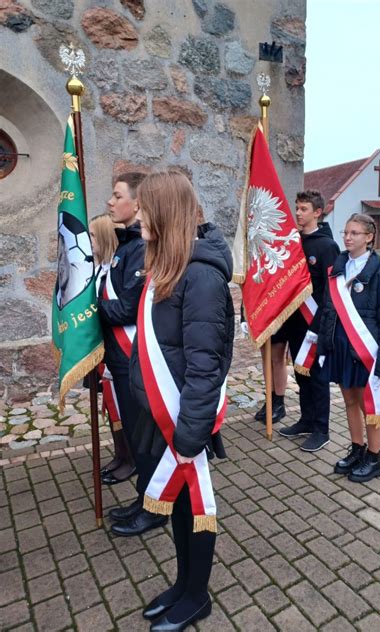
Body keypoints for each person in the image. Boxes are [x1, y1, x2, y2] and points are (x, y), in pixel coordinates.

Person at [128, 170, 234, 632]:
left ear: (165, 214)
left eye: (146, 208)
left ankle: (196, 596)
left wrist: (189, 439)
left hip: (184, 424)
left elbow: (205, 368)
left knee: (196, 511)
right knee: (175, 506)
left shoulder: (202, 279)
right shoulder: (165, 268)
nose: (138, 215)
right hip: (161, 417)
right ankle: (181, 582)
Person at [98, 172, 167, 536]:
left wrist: (89, 310)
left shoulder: (139, 248)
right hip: (120, 360)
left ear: (137, 204)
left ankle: (154, 508)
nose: (110, 202)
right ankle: (144, 499)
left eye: (116, 195)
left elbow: (126, 309)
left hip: (133, 359)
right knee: (140, 442)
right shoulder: (126, 245)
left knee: (145, 441)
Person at [316, 213, 380, 482]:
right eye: (346, 232)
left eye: (355, 233)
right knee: (350, 401)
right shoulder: (337, 270)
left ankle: (374, 458)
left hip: (366, 353)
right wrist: (323, 346)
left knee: (369, 404)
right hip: (341, 350)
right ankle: (357, 449)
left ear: (369, 237)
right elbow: (329, 312)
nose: (348, 237)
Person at [278, 190, 340, 452]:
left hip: (315, 323)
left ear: (317, 212)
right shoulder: (293, 242)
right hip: (295, 320)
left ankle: (321, 429)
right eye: (297, 208)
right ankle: (305, 420)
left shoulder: (327, 246)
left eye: (304, 209)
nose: (298, 213)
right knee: (300, 373)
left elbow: (331, 290)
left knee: (317, 377)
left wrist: (322, 325)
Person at [89, 213, 135, 484]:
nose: (89, 240)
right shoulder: (100, 268)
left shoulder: (115, 271)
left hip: (121, 349)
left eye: (94, 235)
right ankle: (121, 454)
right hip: (105, 351)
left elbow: (123, 309)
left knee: (122, 405)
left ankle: (131, 459)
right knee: (111, 403)